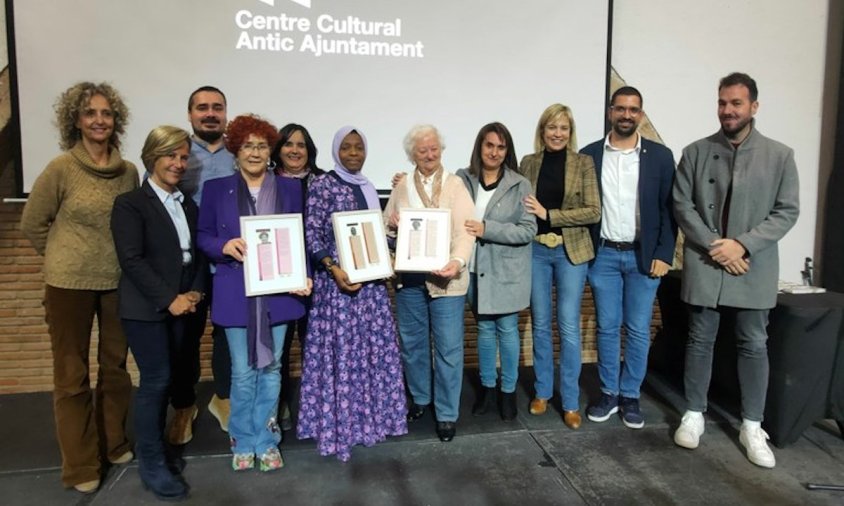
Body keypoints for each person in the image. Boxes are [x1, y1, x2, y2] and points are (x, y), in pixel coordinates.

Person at [672, 73, 799, 468]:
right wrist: (718, 247)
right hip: (707, 261)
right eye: (723, 102)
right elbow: (682, 205)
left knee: (753, 344)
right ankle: (693, 414)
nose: (728, 110)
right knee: (699, 339)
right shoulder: (695, 151)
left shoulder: (780, 155)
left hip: (752, 265)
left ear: (754, 107)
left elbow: (787, 211)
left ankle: (751, 425)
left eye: (736, 103)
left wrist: (741, 245)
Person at [20, 82, 137, 494]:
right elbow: (33, 224)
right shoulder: (60, 168)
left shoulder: (128, 172)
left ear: (115, 120)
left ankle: (114, 441)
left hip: (118, 284)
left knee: (115, 369)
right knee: (72, 376)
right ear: (76, 120)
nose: (99, 120)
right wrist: (62, 259)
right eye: (90, 113)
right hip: (68, 286)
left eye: (106, 113)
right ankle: (81, 464)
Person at [197, 114, 311, 472]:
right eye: (248, 145)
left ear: (270, 151)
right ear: (236, 149)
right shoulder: (216, 189)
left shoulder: (290, 189)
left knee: (273, 367)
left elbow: (299, 238)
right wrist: (224, 246)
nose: (255, 152)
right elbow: (202, 236)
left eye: (262, 146)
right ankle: (243, 438)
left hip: (279, 291)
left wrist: (304, 275)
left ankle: (266, 438)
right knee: (244, 372)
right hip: (235, 290)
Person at [296, 126, 408, 461]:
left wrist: (397, 240)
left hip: (371, 290)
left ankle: (371, 419)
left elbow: (371, 235)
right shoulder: (322, 185)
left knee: (370, 353)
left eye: (359, 147)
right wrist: (332, 268)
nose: (354, 153)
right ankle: (344, 424)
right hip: (339, 290)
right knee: (344, 356)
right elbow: (312, 234)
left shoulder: (370, 187)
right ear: (335, 151)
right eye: (346, 148)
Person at [111, 126, 204, 501]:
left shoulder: (188, 204)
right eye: (171, 156)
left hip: (184, 305)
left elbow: (195, 255)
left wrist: (196, 290)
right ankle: (150, 463)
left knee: (176, 378)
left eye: (183, 157)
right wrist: (170, 299)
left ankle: (162, 453)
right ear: (152, 157)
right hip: (146, 308)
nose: (178, 164)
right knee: (155, 381)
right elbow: (131, 260)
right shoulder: (130, 204)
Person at [580, 87, 678, 429]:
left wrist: (665, 254)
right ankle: (608, 393)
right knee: (607, 327)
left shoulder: (661, 157)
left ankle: (631, 396)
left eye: (633, 110)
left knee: (637, 329)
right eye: (620, 108)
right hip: (603, 255)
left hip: (644, 257)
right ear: (610, 112)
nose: (626, 115)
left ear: (641, 114)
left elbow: (670, 210)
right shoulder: (589, 155)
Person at [384, 124, 475, 442]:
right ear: (412, 154)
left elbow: (466, 231)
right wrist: (393, 226)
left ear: (442, 150)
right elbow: (386, 229)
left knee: (449, 348)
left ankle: (448, 413)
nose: (429, 155)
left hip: (447, 280)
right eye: (422, 150)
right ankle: (421, 398)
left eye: (434, 148)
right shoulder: (402, 186)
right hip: (409, 280)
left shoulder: (455, 186)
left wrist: (458, 261)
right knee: (412, 345)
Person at [520, 104, 601, 430]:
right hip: (537, 252)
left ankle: (569, 401)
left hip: (571, 253)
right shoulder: (529, 163)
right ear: (542, 131)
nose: (557, 133)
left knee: (567, 327)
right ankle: (541, 391)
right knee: (540, 324)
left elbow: (593, 211)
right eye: (551, 127)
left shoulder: (584, 163)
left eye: (563, 128)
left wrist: (549, 215)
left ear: (571, 132)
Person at [456, 122, 536, 421]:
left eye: (501, 147)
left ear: (507, 151)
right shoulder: (462, 179)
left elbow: (528, 230)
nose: (494, 152)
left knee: (507, 330)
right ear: (480, 147)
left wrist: (487, 229)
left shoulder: (520, 184)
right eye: (489, 145)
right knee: (485, 330)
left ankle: (508, 392)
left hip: (506, 271)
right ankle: (488, 390)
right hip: (475, 269)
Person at [176, 86, 235, 438]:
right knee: (186, 335)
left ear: (226, 113)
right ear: (190, 114)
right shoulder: (178, 152)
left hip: (230, 261)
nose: (210, 113)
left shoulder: (239, 153)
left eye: (217, 107)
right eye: (202, 108)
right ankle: (183, 405)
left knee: (228, 332)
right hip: (188, 262)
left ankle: (224, 398)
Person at [270, 123, 325, 431]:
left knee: (312, 344)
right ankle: (277, 406)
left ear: (310, 150)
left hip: (317, 277)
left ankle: (313, 408)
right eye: (288, 144)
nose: (294, 150)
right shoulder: (265, 183)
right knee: (278, 346)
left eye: (301, 145)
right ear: (278, 149)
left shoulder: (323, 182)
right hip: (279, 276)